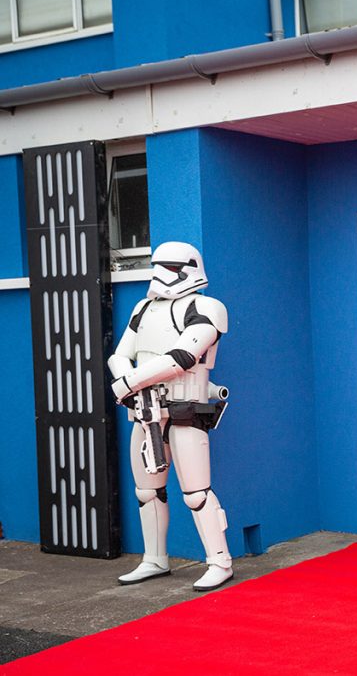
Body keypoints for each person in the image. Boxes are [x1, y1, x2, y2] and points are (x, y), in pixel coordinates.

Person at [107, 241, 233, 591]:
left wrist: (128, 381)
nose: (162, 273)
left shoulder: (208, 306)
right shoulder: (144, 308)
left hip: (184, 412)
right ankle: (154, 558)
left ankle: (220, 560)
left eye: (172, 267)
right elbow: (120, 352)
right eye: (158, 264)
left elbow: (184, 355)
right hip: (145, 412)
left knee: (196, 492)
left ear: (190, 268)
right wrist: (124, 380)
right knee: (148, 491)